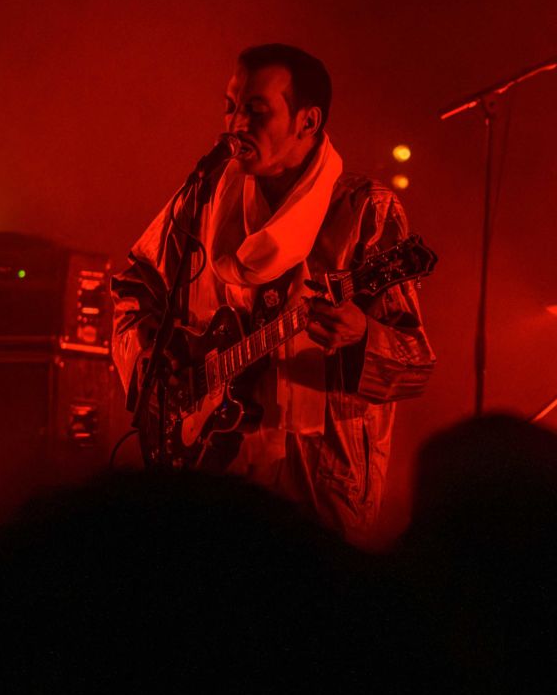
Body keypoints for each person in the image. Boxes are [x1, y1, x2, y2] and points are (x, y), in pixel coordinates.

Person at [111, 44, 435, 535]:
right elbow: (134, 288)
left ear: (308, 122)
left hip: (319, 485)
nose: (236, 123)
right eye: (230, 106)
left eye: (256, 110)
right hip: (211, 475)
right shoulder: (201, 200)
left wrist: (361, 336)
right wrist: (154, 370)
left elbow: (415, 363)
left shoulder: (366, 211)